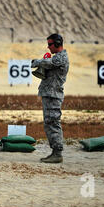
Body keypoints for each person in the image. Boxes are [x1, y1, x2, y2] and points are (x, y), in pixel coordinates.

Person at [31, 33, 69, 163]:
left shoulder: (61, 58)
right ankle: (55, 151)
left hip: (53, 95)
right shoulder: (57, 57)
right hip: (49, 94)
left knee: (53, 122)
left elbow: (50, 63)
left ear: (58, 44)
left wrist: (37, 62)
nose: (48, 47)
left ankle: (57, 152)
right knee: (49, 123)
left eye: (50, 44)